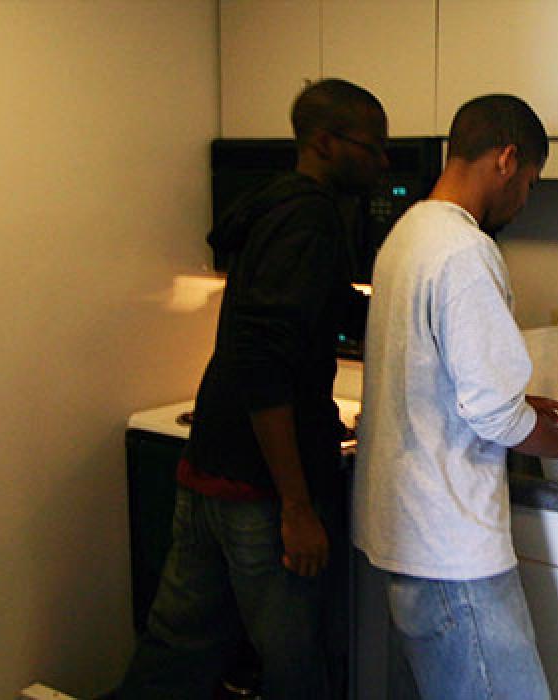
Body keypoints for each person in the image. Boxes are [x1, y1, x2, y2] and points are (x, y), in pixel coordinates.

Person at [116, 79, 389, 700]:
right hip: (263, 493)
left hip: (208, 468)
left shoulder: (277, 205)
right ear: (325, 142)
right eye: (372, 148)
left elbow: (291, 312)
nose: (381, 164)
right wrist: (296, 507)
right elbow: (264, 362)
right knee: (297, 665)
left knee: (175, 651)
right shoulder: (312, 219)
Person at [353, 94, 558, 699]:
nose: (523, 201)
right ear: (507, 159)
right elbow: (493, 412)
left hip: (405, 539)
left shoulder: (407, 234)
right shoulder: (466, 251)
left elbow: (439, 376)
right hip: (450, 549)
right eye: (530, 184)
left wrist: (528, 408)